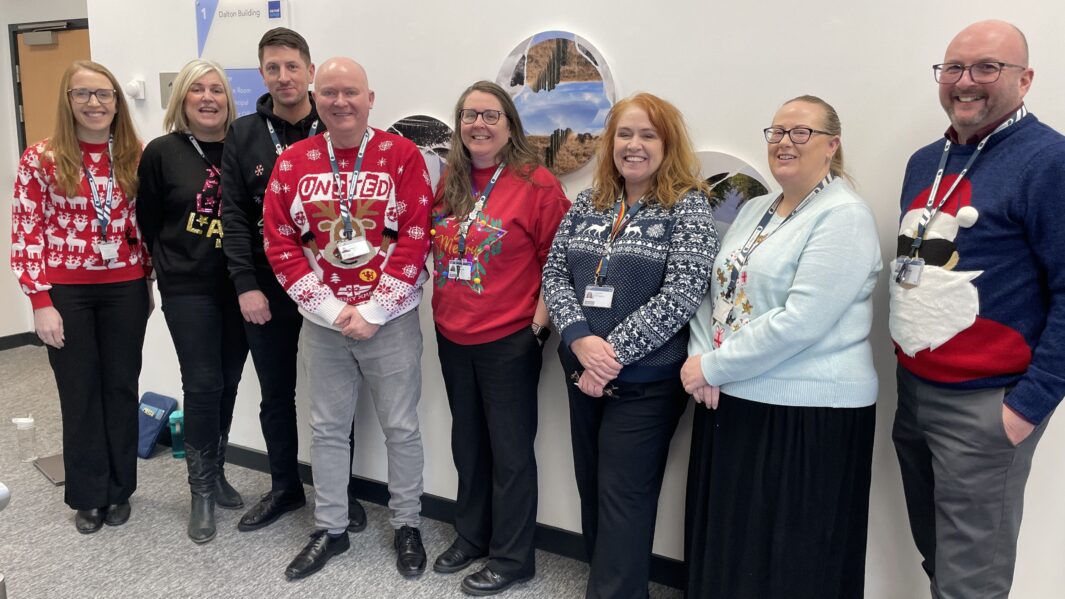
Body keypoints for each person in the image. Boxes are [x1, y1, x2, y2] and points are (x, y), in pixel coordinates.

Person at [889, 20, 1065, 598]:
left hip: (986, 405)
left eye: (987, 67)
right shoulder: (925, 160)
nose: (965, 81)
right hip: (915, 390)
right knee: (939, 557)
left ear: (1025, 79)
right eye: (954, 68)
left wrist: (1026, 408)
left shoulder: (1049, 161)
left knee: (972, 582)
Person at [681, 95, 881, 598]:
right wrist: (700, 358)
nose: (785, 142)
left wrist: (714, 367)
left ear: (832, 145)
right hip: (732, 398)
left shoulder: (844, 216)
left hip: (806, 414)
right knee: (734, 550)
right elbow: (715, 290)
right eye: (777, 132)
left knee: (790, 560)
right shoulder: (755, 209)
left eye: (801, 132)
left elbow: (801, 321)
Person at [541, 92, 718, 599]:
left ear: (668, 143)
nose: (633, 145)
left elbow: (684, 292)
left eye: (648, 134)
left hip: (646, 383)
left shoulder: (688, 206)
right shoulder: (589, 201)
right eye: (624, 134)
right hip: (580, 370)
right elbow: (554, 272)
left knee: (624, 499)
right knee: (593, 486)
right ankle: (607, 584)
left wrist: (609, 356)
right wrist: (579, 338)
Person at [263, 57, 432, 580]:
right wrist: (335, 311)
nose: (340, 102)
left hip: (392, 321)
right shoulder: (292, 162)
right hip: (324, 325)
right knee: (328, 430)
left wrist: (375, 310)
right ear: (315, 99)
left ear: (370, 98)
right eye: (330, 92)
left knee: (401, 427)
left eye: (351, 92)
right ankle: (331, 529)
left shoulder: (402, 156)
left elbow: (416, 237)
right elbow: (279, 245)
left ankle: (407, 524)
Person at [221, 27, 367, 535]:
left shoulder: (336, 121)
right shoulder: (243, 134)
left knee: (338, 400)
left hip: (334, 289)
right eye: (272, 68)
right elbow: (233, 214)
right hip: (268, 288)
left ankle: (339, 492)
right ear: (262, 74)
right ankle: (285, 487)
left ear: (309, 70)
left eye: (291, 66)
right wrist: (245, 284)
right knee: (276, 394)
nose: (283, 76)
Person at [429, 80, 570, 595]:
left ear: (510, 124)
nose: (479, 125)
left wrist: (536, 329)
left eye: (491, 115)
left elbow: (559, 263)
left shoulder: (536, 183)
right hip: (453, 335)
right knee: (467, 444)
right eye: (469, 115)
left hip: (509, 339)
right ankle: (472, 536)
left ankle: (513, 558)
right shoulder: (451, 181)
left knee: (510, 453)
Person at [10, 60, 150, 533]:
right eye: (83, 94)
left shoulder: (135, 155)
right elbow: (26, 230)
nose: (94, 103)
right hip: (66, 293)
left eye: (104, 94)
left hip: (126, 289)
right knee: (79, 391)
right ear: (67, 101)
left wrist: (148, 283)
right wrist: (40, 301)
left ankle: (120, 489)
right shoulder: (42, 158)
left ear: (117, 102)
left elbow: (144, 225)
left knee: (120, 387)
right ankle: (89, 495)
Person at [136, 59, 247, 544]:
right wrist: (160, 273)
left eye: (216, 89)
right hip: (188, 288)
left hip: (241, 287)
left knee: (228, 381)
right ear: (182, 98)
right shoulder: (163, 152)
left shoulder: (243, 146)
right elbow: (148, 221)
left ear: (228, 98)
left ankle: (216, 472)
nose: (208, 98)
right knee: (202, 384)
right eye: (197, 89)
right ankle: (200, 491)